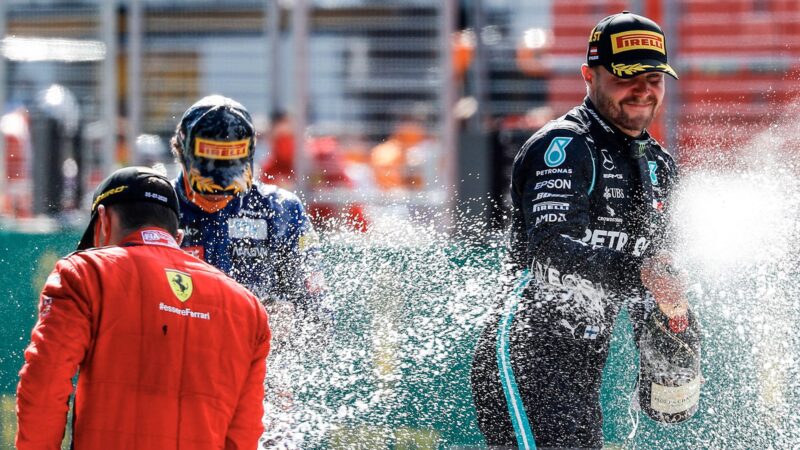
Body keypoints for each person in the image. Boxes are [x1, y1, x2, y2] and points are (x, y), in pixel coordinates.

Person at [471, 11, 687, 449]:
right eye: (627, 76)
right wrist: (642, 276)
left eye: (654, 77)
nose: (643, 89)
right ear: (590, 76)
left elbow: (657, 269)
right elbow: (552, 250)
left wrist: (672, 323)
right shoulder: (564, 146)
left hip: (583, 373)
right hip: (526, 358)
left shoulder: (661, 166)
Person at [16, 166, 271, 449]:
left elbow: (44, 384)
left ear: (103, 222)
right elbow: (243, 434)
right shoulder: (247, 309)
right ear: (177, 237)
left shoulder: (85, 273)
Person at [169, 95, 330, 447]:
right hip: (173, 381)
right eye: (207, 180)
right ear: (180, 152)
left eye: (229, 179)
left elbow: (318, 319)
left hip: (258, 384)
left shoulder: (281, 210)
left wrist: (287, 324)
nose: (218, 193)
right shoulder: (156, 205)